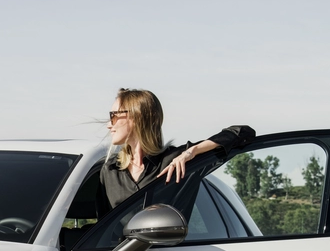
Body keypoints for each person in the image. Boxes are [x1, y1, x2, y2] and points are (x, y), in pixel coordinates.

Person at [97, 88, 255, 216]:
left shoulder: (179, 161)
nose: (109, 125)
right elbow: (101, 231)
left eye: (114, 116)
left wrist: (191, 152)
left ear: (138, 117)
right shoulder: (109, 170)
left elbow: (243, 133)